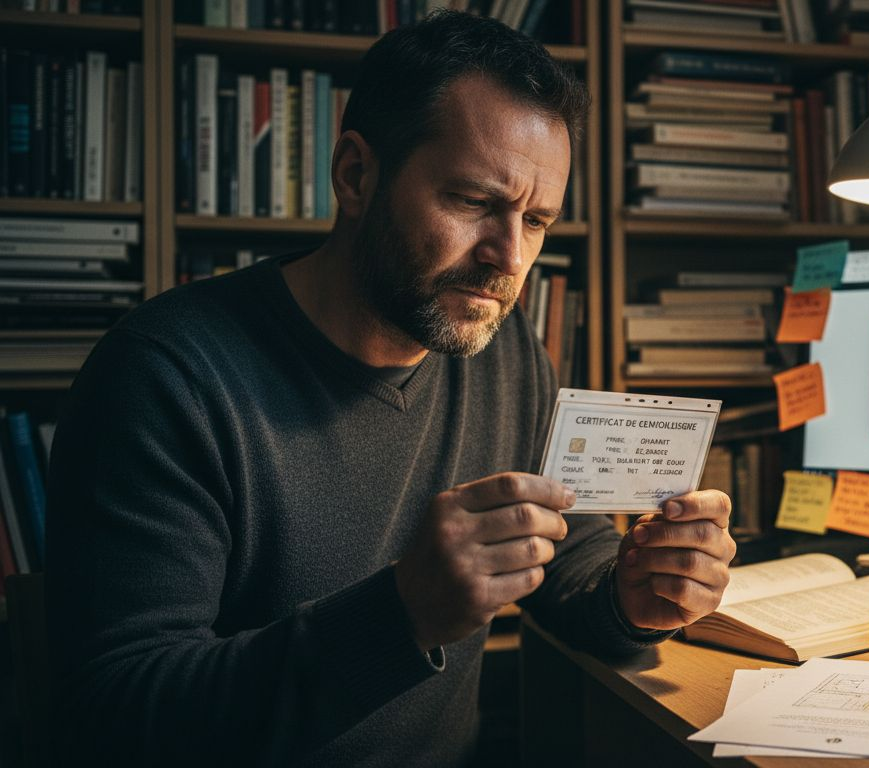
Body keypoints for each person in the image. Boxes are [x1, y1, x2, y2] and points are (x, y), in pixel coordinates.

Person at [44, 12, 735, 766]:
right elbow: (113, 716)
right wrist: (402, 615)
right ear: (354, 175)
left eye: (536, 220)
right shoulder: (165, 377)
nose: (509, 257)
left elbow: (567, 556)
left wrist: (634, 596)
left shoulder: (505, 355)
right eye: (475, 201)